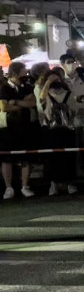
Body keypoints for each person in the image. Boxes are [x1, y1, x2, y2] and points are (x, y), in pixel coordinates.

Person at [35, 66, 78, 195]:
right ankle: (69, 184)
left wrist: (47, 82)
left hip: (51, 129)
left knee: (53, 157)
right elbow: (74, 111)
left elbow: (41, 102)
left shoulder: (47, 94)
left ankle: (54, 185)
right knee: (67, 157)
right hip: (67, 129)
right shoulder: (68, 94)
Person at [1, 62, 37, 199]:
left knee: (25, 157)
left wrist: (14, 102)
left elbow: (33, 103)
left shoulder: (27, 87)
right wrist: (23, 103)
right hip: (8, 127)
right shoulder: (4, 88)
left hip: (25, 126)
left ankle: (24, 186)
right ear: (15, 73)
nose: (26, 74)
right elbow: (4, 107)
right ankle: (8, 187)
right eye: (23, 71)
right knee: (7, 158)